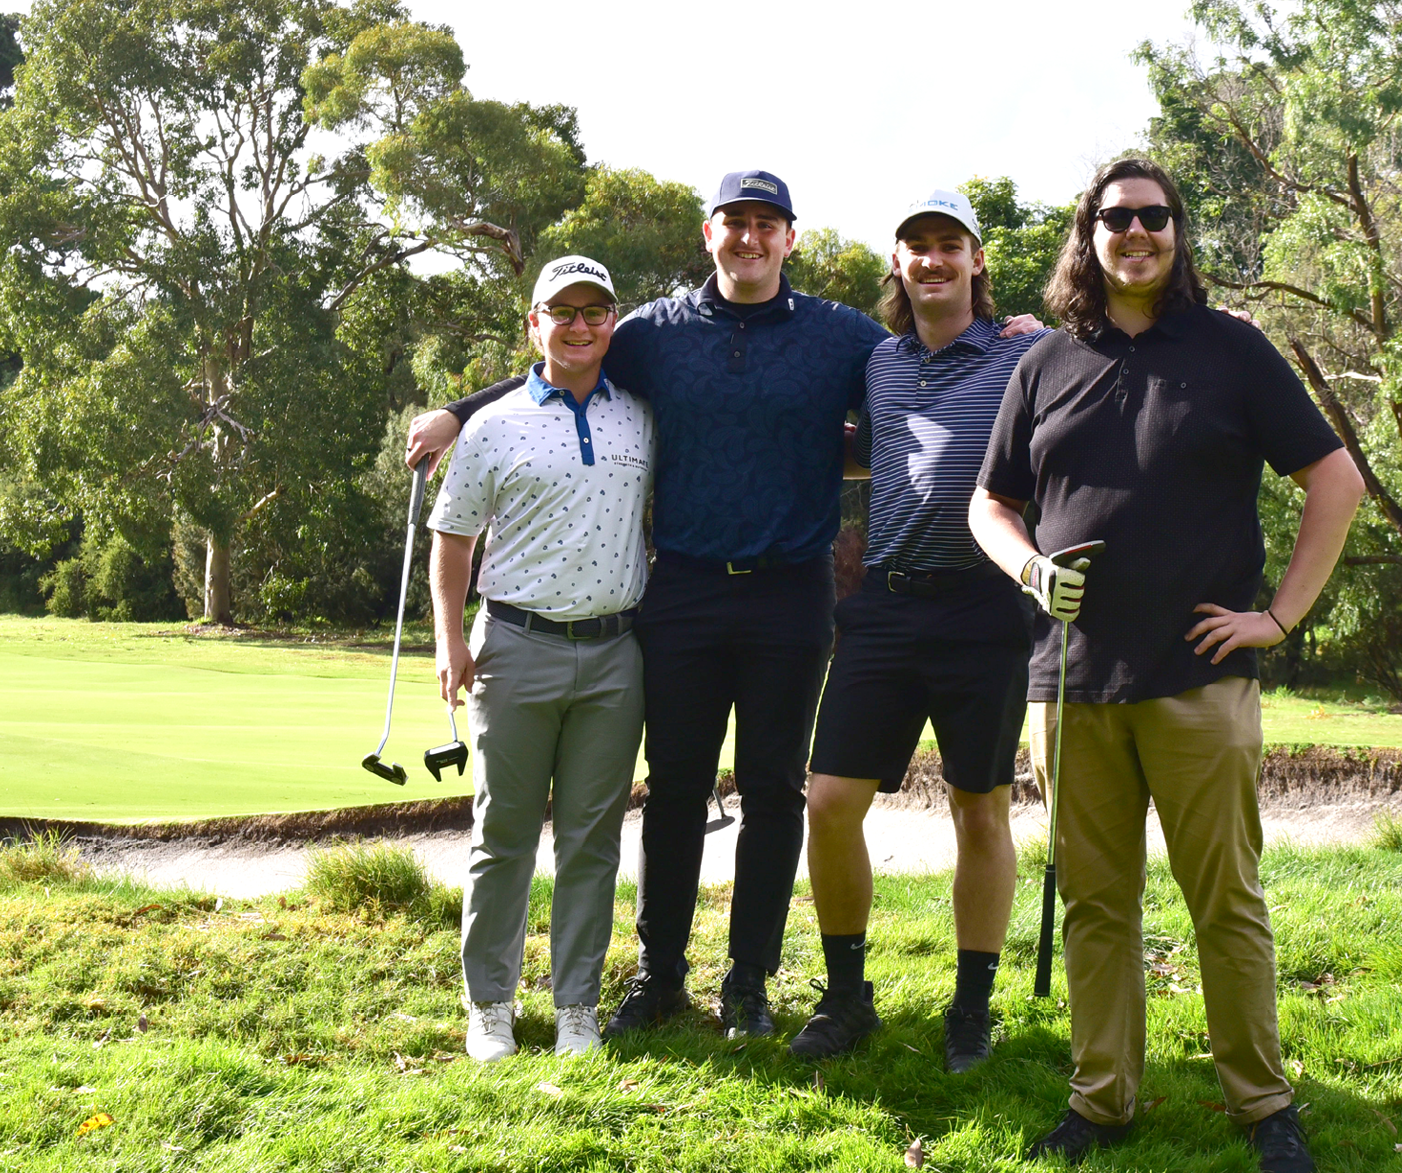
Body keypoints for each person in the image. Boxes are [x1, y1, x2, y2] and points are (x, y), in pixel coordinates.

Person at [408, 173, 1042, 1039]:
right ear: (710, 235)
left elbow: (917, 392)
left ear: (789, 238)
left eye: (765, 224)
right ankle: (661, 974)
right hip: (683, 589)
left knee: (778, 793)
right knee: (673, 790)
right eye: (734, 223)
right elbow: (565, 362)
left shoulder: (845, 338)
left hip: (792, 592)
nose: (749, 238)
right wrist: (455, 412)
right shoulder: (656, 334)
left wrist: (1028, 333)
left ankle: (749, 981)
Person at [969, 158, 1365, 1170]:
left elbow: (1336, 479)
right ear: (1088, 236)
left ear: (1177, 234)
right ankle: (1101, 1101)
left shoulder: (1232, 351)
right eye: (1117, 218)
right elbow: (992, 502)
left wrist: (1277, 619)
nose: (1137, 233)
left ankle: (1262, 1105)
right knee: (1096, 904)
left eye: (1155, 217)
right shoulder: (1044, 364)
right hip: (1071, 683)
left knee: (1223, 898)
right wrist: (1026, 569)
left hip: (1199, 680)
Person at [788, 191, 1043, 1071]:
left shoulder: (1028, 351)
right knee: (828, 801)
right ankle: (848, 996)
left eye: (949, 245)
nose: (932, 260)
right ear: (897, 265)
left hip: (984, 604)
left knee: (979, 808)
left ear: (976, 260)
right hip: (886, 606)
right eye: (916, 247)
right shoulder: (878, 361)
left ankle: (972, 1007)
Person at [426, 255, 655, 1062]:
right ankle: (489, 1003)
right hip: (515, 647)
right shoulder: (492, 427)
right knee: (505, 835)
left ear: (612, 323)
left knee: (592, 842)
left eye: (596, 311)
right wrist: (451, 640)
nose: (581, 325)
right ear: (535, 324)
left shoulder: (640, 417)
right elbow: (452, 540)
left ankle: (576, 1007)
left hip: (615, 652)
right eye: (563, 311)